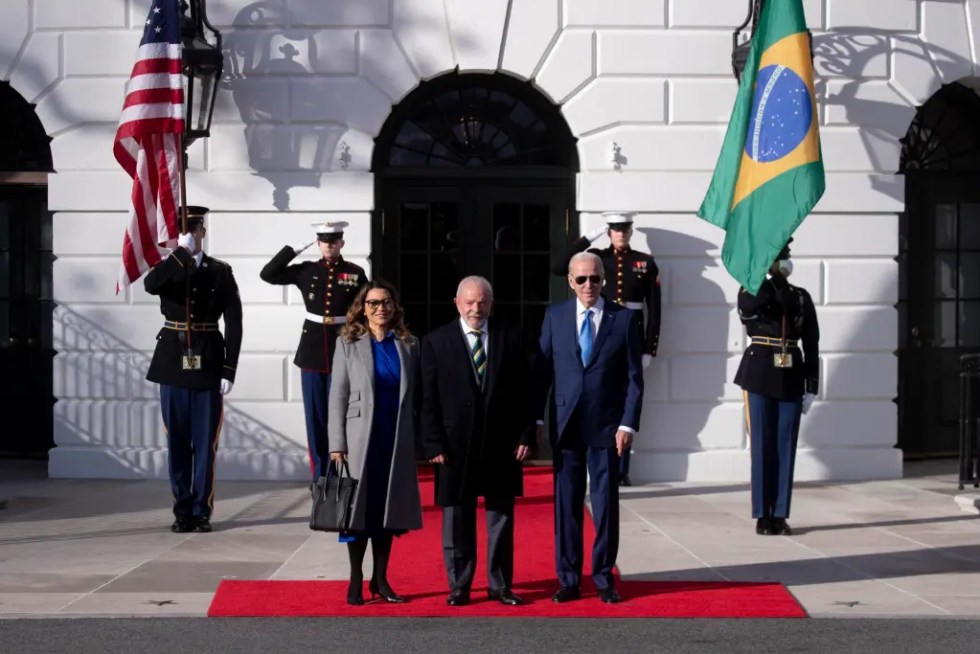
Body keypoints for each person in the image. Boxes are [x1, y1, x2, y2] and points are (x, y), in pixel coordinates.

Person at [420, 276, 536, 607]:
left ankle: (500, 584)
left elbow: (525, 392)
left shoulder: (510, 337)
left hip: (503, 443)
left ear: (491, 304)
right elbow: (427, 398)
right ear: (457, 303)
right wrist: (432, 443)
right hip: (454, 446)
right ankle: (460, 584)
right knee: (457, 517)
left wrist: (527, 433)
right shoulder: (436, 341)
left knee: (500, 517)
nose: (476, 308)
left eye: (482, 302)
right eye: (469, 302)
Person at [534, 252, 644, 604]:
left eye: (594, 279)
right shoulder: (555, 316)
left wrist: (628, 423)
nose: (588, 286)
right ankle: (568, 578)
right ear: (570, 280)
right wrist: (536, 419)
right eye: (581, 279)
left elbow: (633, 379)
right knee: (566, 506)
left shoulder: (623, 319)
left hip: (607, 427)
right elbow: (542, 374)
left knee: (605, 504)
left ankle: (602, 577)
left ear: (603, 280)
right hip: (566, 426)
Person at [144, 206, 243, 533]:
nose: (188, 235)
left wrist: (229, 369)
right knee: (178, 442)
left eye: (193, 229)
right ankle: (181, 509)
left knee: (205, 443)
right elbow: (151, 285)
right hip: (173, 362)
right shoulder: (170, 267)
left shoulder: (220, 271)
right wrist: (180, 256)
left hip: (208, 361)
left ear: (203, 231)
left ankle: (202, 510)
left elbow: (234, 322)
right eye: (181, 230)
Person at [328, 280, 423, 605]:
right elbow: (337, 394)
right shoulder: (348, 342)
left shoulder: (408, 344)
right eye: (373, 303)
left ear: (395, 307)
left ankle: (380, 580)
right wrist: (336, 442)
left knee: (387, 510)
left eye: (386, 302)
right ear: (362, 308)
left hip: (395, 437)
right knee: (358, 510)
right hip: (358, 440)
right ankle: (355, 578)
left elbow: (416, 394)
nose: (380, 308)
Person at [551, 211, 661, 486]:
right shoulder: (598, 259)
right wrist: (590, 235)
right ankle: (601, 463)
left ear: (631, 231)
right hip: (600, 332)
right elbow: (558, 265)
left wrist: (650, 347)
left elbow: (655, 309)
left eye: (624, 229)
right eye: (614, 229)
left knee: (625, 400)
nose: (620, 234)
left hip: (629, 334)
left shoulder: (645, 263)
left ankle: (621, 467)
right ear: (609, 231)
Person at [260, 221, 367, 481]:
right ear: (318, 243)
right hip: (313, 351)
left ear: (342, 243)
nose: (329, 244)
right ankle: (322, 477)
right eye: (324, 240)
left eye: (334, 240)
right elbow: (268, 274)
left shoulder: (355, 272)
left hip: (344, 347)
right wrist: (292, 251)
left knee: (345, 414)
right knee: (316, 417)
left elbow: (364, 309)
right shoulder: (305, 270)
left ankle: (348, 473)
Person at [734, 238, 819, 537]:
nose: (786, 260)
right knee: (762, 446)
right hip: (758, 372)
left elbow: (811, 341)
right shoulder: (752, 288)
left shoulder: (800, 296)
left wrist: (812, 383)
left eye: (786, 255)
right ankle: (762, 514)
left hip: (791, 373)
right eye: (781, 256)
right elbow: (750, 309)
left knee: (785, 446)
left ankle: (780, 514)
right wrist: (766, 277)